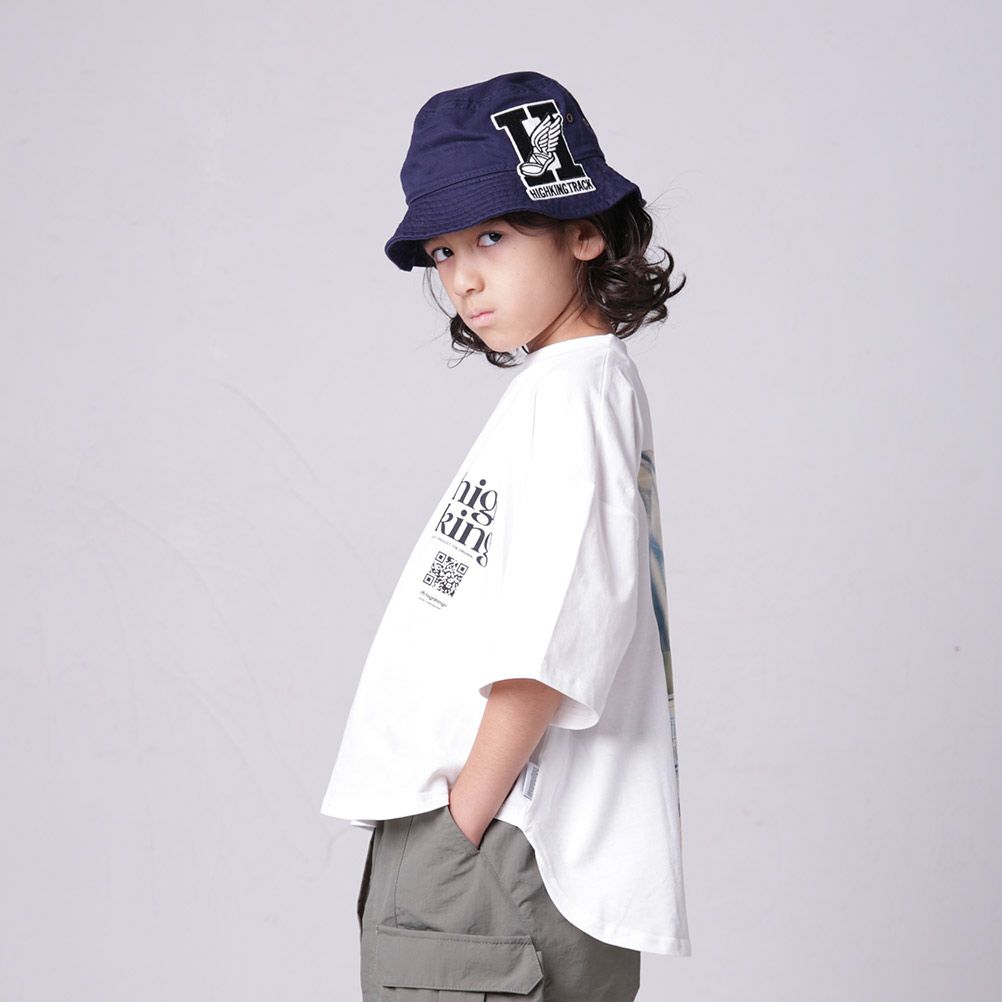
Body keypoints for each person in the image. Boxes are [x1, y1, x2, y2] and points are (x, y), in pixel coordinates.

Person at [319, 69, 691, 1002]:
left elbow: (550, 643)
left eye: (491, 236)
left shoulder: (573, 396)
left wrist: (460, 824)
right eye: (442, 252)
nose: (463, 277)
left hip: (501, 844)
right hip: (507, 843)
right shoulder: (575, 388)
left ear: (582, 228)